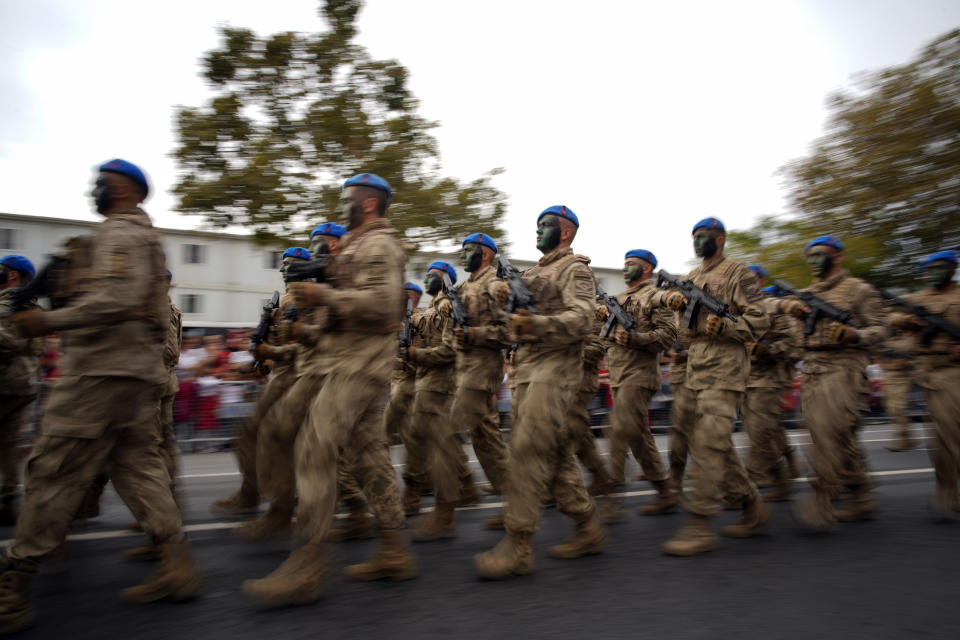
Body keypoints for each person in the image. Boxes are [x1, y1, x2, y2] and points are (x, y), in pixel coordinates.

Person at [0, 159, 201, 634]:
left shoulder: (122, 234)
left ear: (126, 191)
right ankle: (176, 565)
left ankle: (16, 586)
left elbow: (118, 301)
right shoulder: (128, 237)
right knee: (138, 469)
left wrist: (48, 321)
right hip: (130, 376)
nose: (96, 190)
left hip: (102, 374)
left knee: (52, 468)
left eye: (103, 184)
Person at [243, 173, 416, 605]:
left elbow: (382, 306)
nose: (341, 207)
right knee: (367, 456)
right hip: (345, 361)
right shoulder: (357, 246)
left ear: (369, 204)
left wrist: (324, 297)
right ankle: (394, 549)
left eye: (347, 200)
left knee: (314, 447)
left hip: (359, 366)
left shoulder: (379, 245)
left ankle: (307, 565)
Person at [474, 205, 607, 580]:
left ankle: (518, 545)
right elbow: (513, 323)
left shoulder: (574, 270)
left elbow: (583, 317)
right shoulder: (532, 273)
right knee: (557, 455)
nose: (537, 232)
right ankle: (587, 526)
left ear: (564, 233)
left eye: (544, 226)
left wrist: (537, 323)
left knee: (528, 451)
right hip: (528, 369)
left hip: (557, 370)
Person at [659, 217, 771, 556]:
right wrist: (676, 307)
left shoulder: (738, 273)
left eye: (703, 236)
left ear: (720, 239)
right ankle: (750, 502)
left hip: (726, 365)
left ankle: (700, 523)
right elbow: (686, 334)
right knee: (705, 439)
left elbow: (760, 320)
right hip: (696, 363)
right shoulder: (692, 278)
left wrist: (728, 327)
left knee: (709, 441)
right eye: (693, 237)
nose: (697, 242)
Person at [779, 235, 888, 530]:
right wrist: (793, 314)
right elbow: (794, 338)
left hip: (845, 367)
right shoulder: (805, 294)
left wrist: (855, 335)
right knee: (826, 435)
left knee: (828, 436)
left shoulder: (858, 290)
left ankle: (822, 502)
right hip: (813, 368)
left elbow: (881, 329)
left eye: (820, 255)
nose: (814, 261)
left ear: (837, 257)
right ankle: (861, 495)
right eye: (810, 256)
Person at [211, 246, 311, 519]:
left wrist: (270, 353)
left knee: (268, 437)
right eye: (283, 264)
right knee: (261, 437)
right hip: (279, 377)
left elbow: (303, 348)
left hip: (294, 379)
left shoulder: (302, 302)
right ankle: (257, 493)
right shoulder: (282, 301)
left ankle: (273, 498)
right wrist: (261, 362)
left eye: (289, 264)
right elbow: (276, 343)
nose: (284, 270)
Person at [597, 249, 678, 521]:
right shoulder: (618, 299)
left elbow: (668, 337)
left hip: (641, 375)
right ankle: (665, 491)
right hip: (619, 375)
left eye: (631, 264)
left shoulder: (654, 297)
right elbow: (606, 340)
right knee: (638, 437)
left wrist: (637, 339)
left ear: (646, 269)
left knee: (618, 429)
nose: (625, 268)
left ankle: (613, 495)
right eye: (624, 263)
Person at [444, 232, 512, 521]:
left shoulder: (495, 285)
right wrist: (456, 337)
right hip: (464, 370)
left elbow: (510, 330)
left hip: (483, 371)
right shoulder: (461, 288)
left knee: (445, 431)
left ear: (485, 254)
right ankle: (514, 497)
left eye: (468, 249)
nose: (462, 255)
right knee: (485, 438)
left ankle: (448, 506)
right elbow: (452, 333)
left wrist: (475, 333)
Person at [407, 261, 476, 541]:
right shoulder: (432, 308)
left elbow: (448, 351)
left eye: (431, 275)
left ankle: (441, 509)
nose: (425, 279)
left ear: (445, 279)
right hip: (426, 381)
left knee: (436, 445)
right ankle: (462, 488)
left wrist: (415, 355)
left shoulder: (449, 306)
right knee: (434, 442)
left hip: (441, 384)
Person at [889, 250, 960, 517]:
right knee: (943, 438)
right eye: (929, 269)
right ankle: (948, 492)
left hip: (955, 371)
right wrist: (906, 320)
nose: (932, 273)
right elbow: (889, 316)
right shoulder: (918, 299)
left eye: (939, 268)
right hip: (933, 374)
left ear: (952, 269)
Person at [741, 265, 802, 501]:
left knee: (760, 430)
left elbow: (792, 345)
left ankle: (767, 479)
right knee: (768, 428)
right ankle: (789, 462)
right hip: (745, 376)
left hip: (770, 376)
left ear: (761, 280)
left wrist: (766, 349)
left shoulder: (774, 308)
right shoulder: (740, 310)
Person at [0, 255, 42, 526]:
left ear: (12, 275)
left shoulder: (9, 301)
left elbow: (7, 340)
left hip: (5, 381)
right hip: (22, 383)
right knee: (8, 445)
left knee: (9, 445)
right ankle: (8, 500)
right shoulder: (31, 305)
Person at [384, 282, 426, 515]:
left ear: (415, 298)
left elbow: (419, 353)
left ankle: (409, 492)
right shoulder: (392, 322)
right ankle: (420, 482)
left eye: (408, 296)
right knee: (411, 439)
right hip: (395, 383)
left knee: (383, 435)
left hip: (410, 385)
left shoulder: (421, 319)